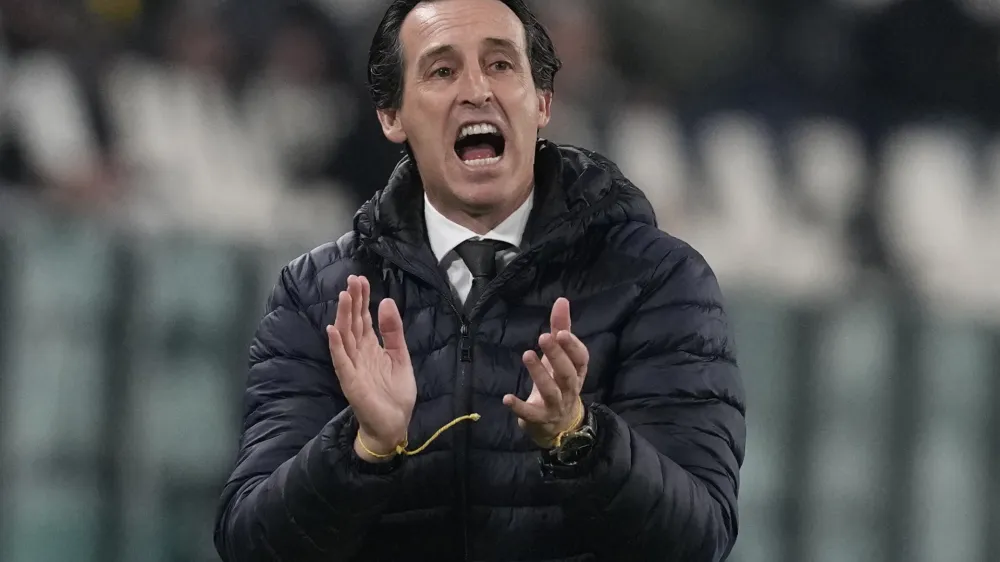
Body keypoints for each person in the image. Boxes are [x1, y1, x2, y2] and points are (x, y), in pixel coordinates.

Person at [214, 0, 746, 560]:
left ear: (541, 102)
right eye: (442, 70)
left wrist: (579, 438)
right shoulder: (317, 296)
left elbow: (699, 537)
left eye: (500, 65)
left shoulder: (657, 281)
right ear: (391, 116)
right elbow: (251, 543)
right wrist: (363, 448)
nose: (476, 90)